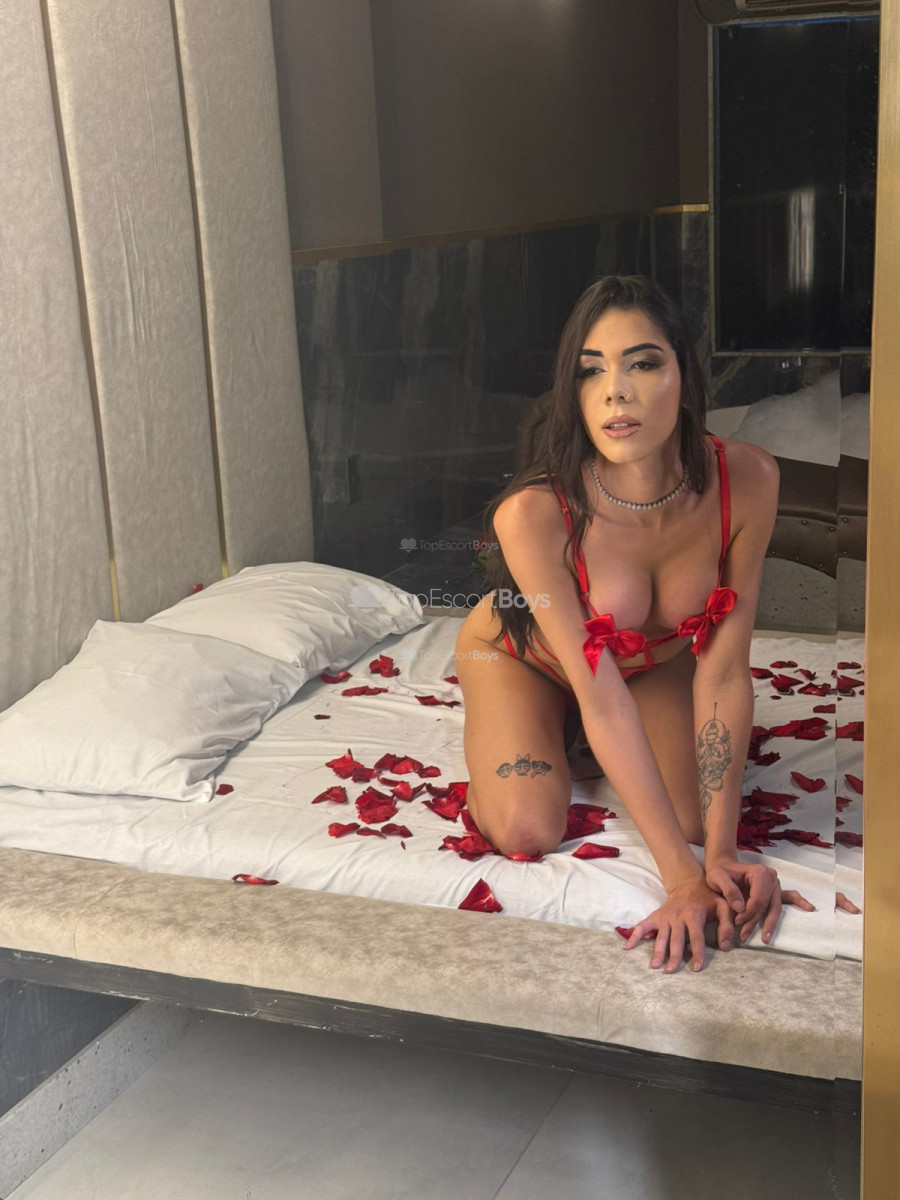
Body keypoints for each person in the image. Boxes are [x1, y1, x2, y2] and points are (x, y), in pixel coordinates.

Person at [453, 275, 816, 974]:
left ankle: (589, 750)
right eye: (591, 371)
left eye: (642, 363)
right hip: (524, 658)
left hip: (649, 665)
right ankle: (519, 723)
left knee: (692, 821)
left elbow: (723, 669)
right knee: (526, 827)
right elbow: (600, 696)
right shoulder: (533, 514)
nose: (615, 393)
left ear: (684, 371)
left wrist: (718, 855)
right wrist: (680, 882)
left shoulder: (748, 481)